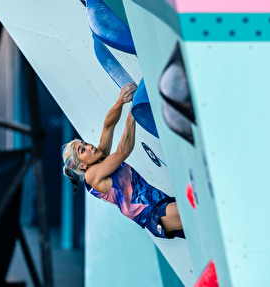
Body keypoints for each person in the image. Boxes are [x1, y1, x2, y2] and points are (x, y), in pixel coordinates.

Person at [62, 83, 184, 239]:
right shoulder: (92, 175)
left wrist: (120, 102)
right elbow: (123, 151)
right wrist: (134, 110)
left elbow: (108, 126)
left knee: (201, 223)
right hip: (151, 213)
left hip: (158, 201)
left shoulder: (100, 159)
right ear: (83, 165)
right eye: (83, 150)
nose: (89, 146)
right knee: (197, 214)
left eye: (84, 143)